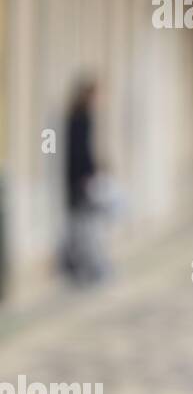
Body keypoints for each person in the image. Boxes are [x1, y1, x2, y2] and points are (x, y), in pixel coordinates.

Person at [59, 76, 107, 286]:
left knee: (79, 225)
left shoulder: (75, 116)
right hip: (79, 180)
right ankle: (83, 267)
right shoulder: (82, 118)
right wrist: (91, 172)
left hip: (74, 179)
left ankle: (80, 267)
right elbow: (81, 151)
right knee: (84, 226)